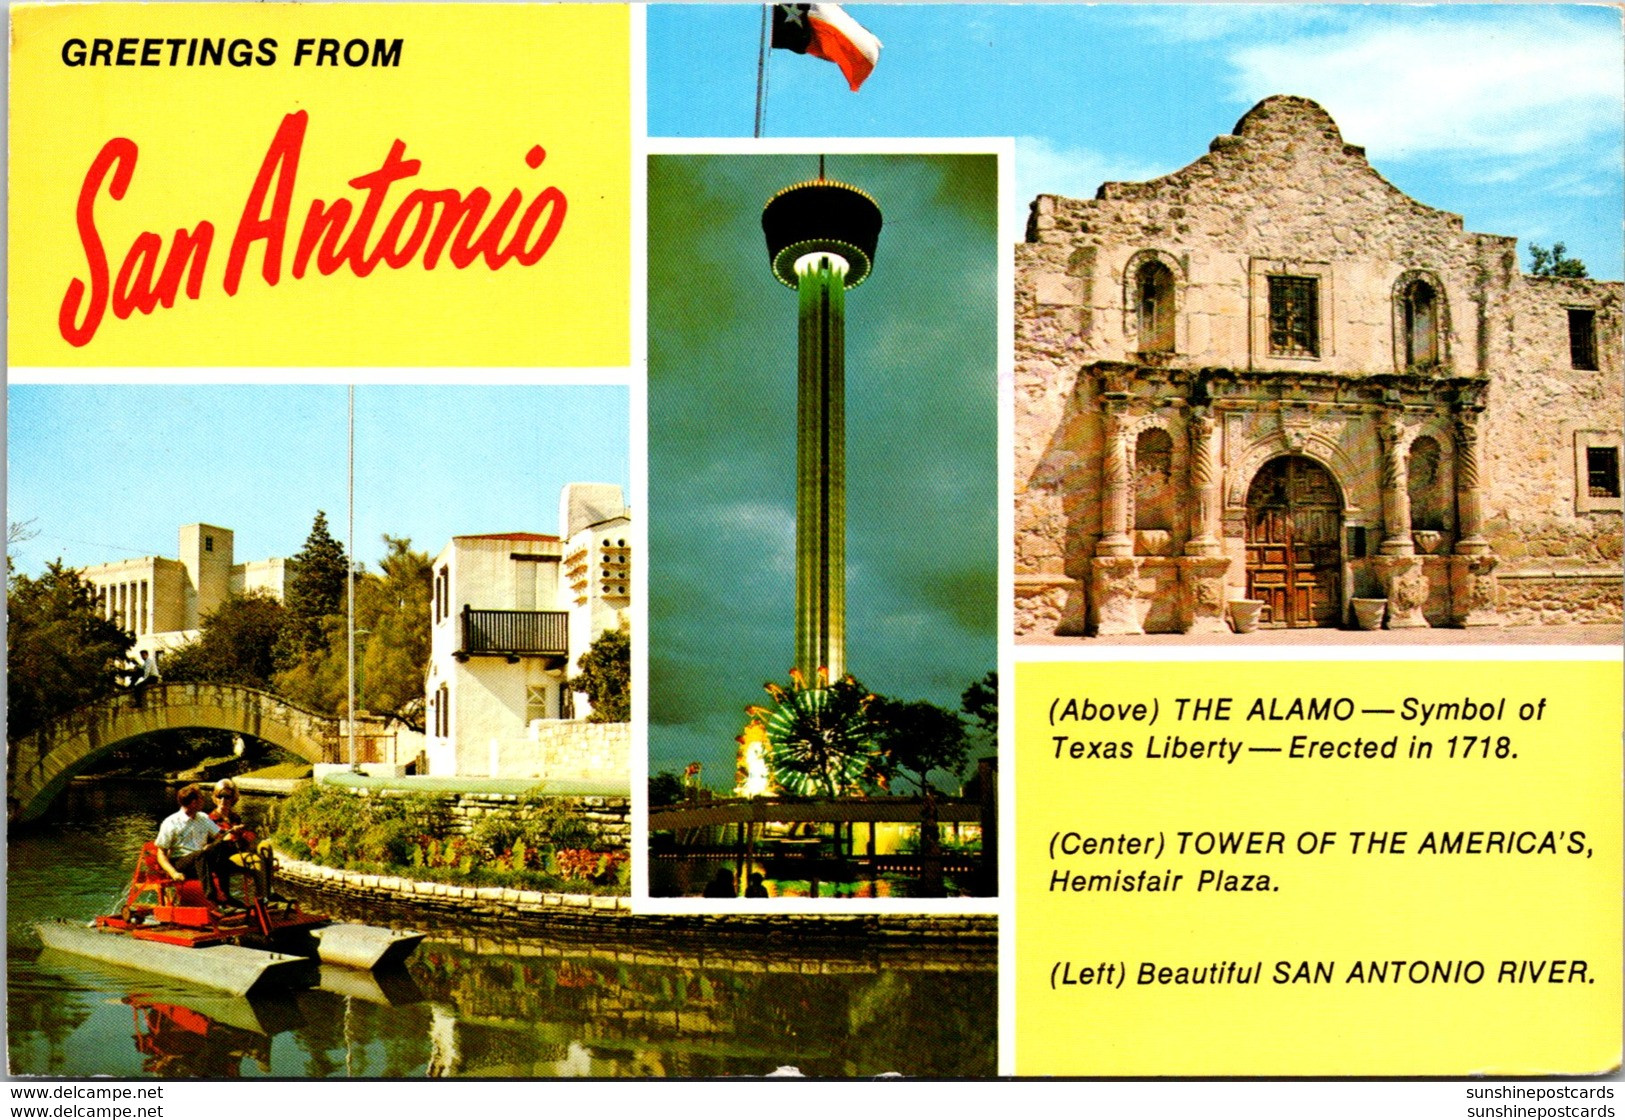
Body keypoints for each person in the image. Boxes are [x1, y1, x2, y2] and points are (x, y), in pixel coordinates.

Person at [154, 784, 243, 912]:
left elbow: (220, 836)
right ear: (194, 802)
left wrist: (233, 832)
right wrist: (173, 873)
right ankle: (212, 900)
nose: (203, 800)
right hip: (181, 862)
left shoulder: (202, 817)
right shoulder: (171, 823)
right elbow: (161, 854)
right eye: (201, 798)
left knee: (220, 847)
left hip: (202, 861)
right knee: (201, 854)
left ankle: (226, 897)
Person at [209, 779, 278, 903]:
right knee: (256, 860)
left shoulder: (235, 817)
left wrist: (244, 834)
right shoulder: (210, 819)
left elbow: (246, 837)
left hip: (240, 849)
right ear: (215, 797)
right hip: (225, 856)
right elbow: (213, 843)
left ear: (233, 798)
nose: (223, 800)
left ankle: (269, 891)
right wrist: (229, 834)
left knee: (265, 846)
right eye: (220, 796)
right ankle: (263, 899)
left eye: (227, 797)